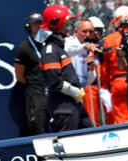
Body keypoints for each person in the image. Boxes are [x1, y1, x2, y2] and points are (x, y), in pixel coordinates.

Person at [40, 3, 91, 132]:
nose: (69, 28)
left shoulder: (58, 48)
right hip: (64, 108)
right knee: (69, 143)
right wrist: (75, 92)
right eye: (66, 24)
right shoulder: (50, 50)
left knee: (90, 134)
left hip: (73, 104)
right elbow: (54, 81)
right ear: (55, 25)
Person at [13, 13, 48, 136]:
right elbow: (19, 76)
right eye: (36, 23)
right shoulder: (23, 48)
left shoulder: (49, 43)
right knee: (39, 128)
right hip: (35, 92)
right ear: (29, 26)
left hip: (51, 89)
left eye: (41, 23)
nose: (39, 26)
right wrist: (34, 84)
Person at [65, 17, 102, 126]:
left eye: (90, 31)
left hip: (81, 93)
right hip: (68, 92)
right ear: (75, 31)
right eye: (84, 31)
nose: (87, 34)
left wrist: (90, 67)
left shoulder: (89, 48)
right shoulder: (68, 42)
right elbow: (69, 51)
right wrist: (84, 47)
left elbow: (89, 80)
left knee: (86, 125)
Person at [100, 6, 128, 124]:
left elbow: (104, 69)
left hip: (118, 81)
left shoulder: (108, 40)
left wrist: (105, 85)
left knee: (122, 118)